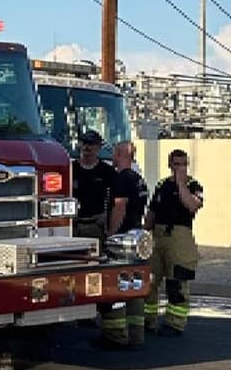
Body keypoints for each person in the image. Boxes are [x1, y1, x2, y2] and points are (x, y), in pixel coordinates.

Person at [144, 148, 204, 336]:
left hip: (180, 235)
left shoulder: (193, 185)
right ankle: (148, 320)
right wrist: (144, 230)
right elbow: (152, 212)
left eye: (184, 164)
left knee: (177, 280)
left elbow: (193, 205)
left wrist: (181, 184)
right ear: (169, 165)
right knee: (150, 280)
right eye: (176, 164)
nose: (180, 168)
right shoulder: (162, 185)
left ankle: (175, 323)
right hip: (158, 235)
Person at [98, 141, 149, 349]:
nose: (112, 158)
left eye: (114, 154)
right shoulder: (139, 179)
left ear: (120, 154)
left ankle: (116, 334)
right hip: (136, 236)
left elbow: (119, 208)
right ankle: (137, 334)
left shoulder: (121, 178)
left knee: (117, 284)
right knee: (135, 285)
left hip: (122, 238)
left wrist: (110, 234)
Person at [71, 130, 115, 241]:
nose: (87, 147)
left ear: (99, 147)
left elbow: (114, 199)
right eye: (84, 143)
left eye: (91, 144)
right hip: (73, 223)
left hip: (96, 224)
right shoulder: (70, 169)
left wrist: (106, 217)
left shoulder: (107, 171)